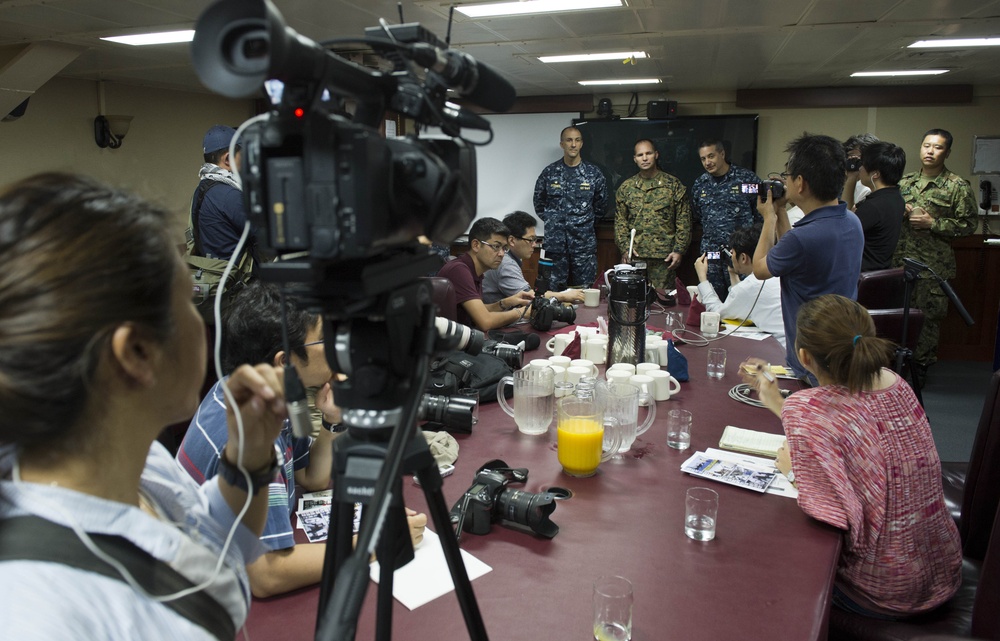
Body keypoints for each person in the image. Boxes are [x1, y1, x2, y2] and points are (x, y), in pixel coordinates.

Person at [0, 173, 282, 638]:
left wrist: (248, 456)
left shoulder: (139, 458)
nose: (202, 318)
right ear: (136, 354)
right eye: (190, 299)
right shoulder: (36, 615)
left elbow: (215, 544)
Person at [177, 282, 427, 598]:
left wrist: (332, 421)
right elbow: (268, 575)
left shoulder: (251, 395)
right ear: (285, 362)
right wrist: (376, 541)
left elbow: (314, 478)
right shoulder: (251, 434)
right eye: (327, 338)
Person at [741, 295, 961, 619]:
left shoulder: (810, 410)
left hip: (880, 590)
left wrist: (793, 472)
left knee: (754, 569)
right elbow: (839, 426)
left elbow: (832, 512)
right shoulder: (896, 383)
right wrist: (776, 401)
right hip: (938, 570)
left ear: (803, 356)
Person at [752, 133, 863, 383]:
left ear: (800, 183)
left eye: (788, 175)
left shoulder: (803, 238)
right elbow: (797, 254)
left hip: (812, 356)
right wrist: (780, 212)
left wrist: (768, 217)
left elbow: (759, 269)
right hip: (840, 345)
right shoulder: (852, 222)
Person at [892, 128, 978, 379]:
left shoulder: (957, 186)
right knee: (897, 318)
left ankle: (919, 372)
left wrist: (934, 224)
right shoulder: (903, 183)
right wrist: (901, 210)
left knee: (927, 322)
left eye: (938, 147)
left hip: (932, 268)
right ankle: (894, 371)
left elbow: (968, 225)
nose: (930, 151)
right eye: (927, 145)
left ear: (947, 152)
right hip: (900, 263)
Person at [533, 126, 608, 290]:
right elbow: (539, 203)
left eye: (577, 140)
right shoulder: (549, 173)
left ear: (581, 144)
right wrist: (555, 222)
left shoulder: (593, 174)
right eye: (569, 140)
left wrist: (583, 224)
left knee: (585, 291)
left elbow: (601, 206)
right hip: (555, 247)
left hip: (583, 246)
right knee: (553, 292)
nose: (573, 144)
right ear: (562, 144)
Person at [614, 139, 692, 289]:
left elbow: (684, 222)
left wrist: (679, 250)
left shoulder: (673, 185)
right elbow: (620, 223)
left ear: (656, 155)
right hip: (635, 256)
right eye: (640, 155)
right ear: (634, 159)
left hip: (664, 258)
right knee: (634, 300)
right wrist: (624, 248)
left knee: (662, 302)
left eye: (648, 153)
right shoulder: (626, 188)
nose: (644, 158)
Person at [690, 139, 762, 300]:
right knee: (712, 297)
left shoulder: (746, 179)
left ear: (722, 154)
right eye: (703, 159)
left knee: (745, 298)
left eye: (711, 156)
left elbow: (759, 215)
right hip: (712, 252)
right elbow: (698, 215)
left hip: (741, 253)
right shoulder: (700, 185)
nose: (707, 162)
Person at [693, 223, 785, 347]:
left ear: (743, 258)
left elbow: (717, 314)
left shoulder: (752, 284)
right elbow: (743, 301)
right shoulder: (780, 273)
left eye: (733, 253)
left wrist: (703, 278)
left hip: (778, 348)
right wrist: (733, 274)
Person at [437, 217, 535, 331]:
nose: (502, 254)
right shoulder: (459, 270)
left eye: (504, 248)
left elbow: (480, 311)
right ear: (476, 245)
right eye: (496, 247)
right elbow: (485, 322)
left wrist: (505, 303)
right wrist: (521, 312)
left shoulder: (475, 271)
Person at [482, 211, 585, 305]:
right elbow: (528, 296)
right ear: (512, 241)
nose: (534, 245)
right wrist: (564, 295)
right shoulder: (505, 263)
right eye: (531, 240)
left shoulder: (510, 258)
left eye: (535, 240)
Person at [191, 124, 254, 261]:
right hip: (238, 279)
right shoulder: (229, 195)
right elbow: (263, 234)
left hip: (215, 273)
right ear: (227, 159)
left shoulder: (202, 188)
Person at [854, 141, 906, 271]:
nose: (860, 169)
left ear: (875, 174)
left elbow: (843, 232)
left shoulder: (873, 206)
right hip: (880, 273)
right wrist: (851, 180)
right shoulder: (895, 197)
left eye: (863, 165)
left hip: (862, 276)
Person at [841, 133, 880, 211]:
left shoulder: (870, 187)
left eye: (859, 158)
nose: (853, 162)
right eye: (850, 156)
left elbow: (845, 213)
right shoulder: (840, 181)